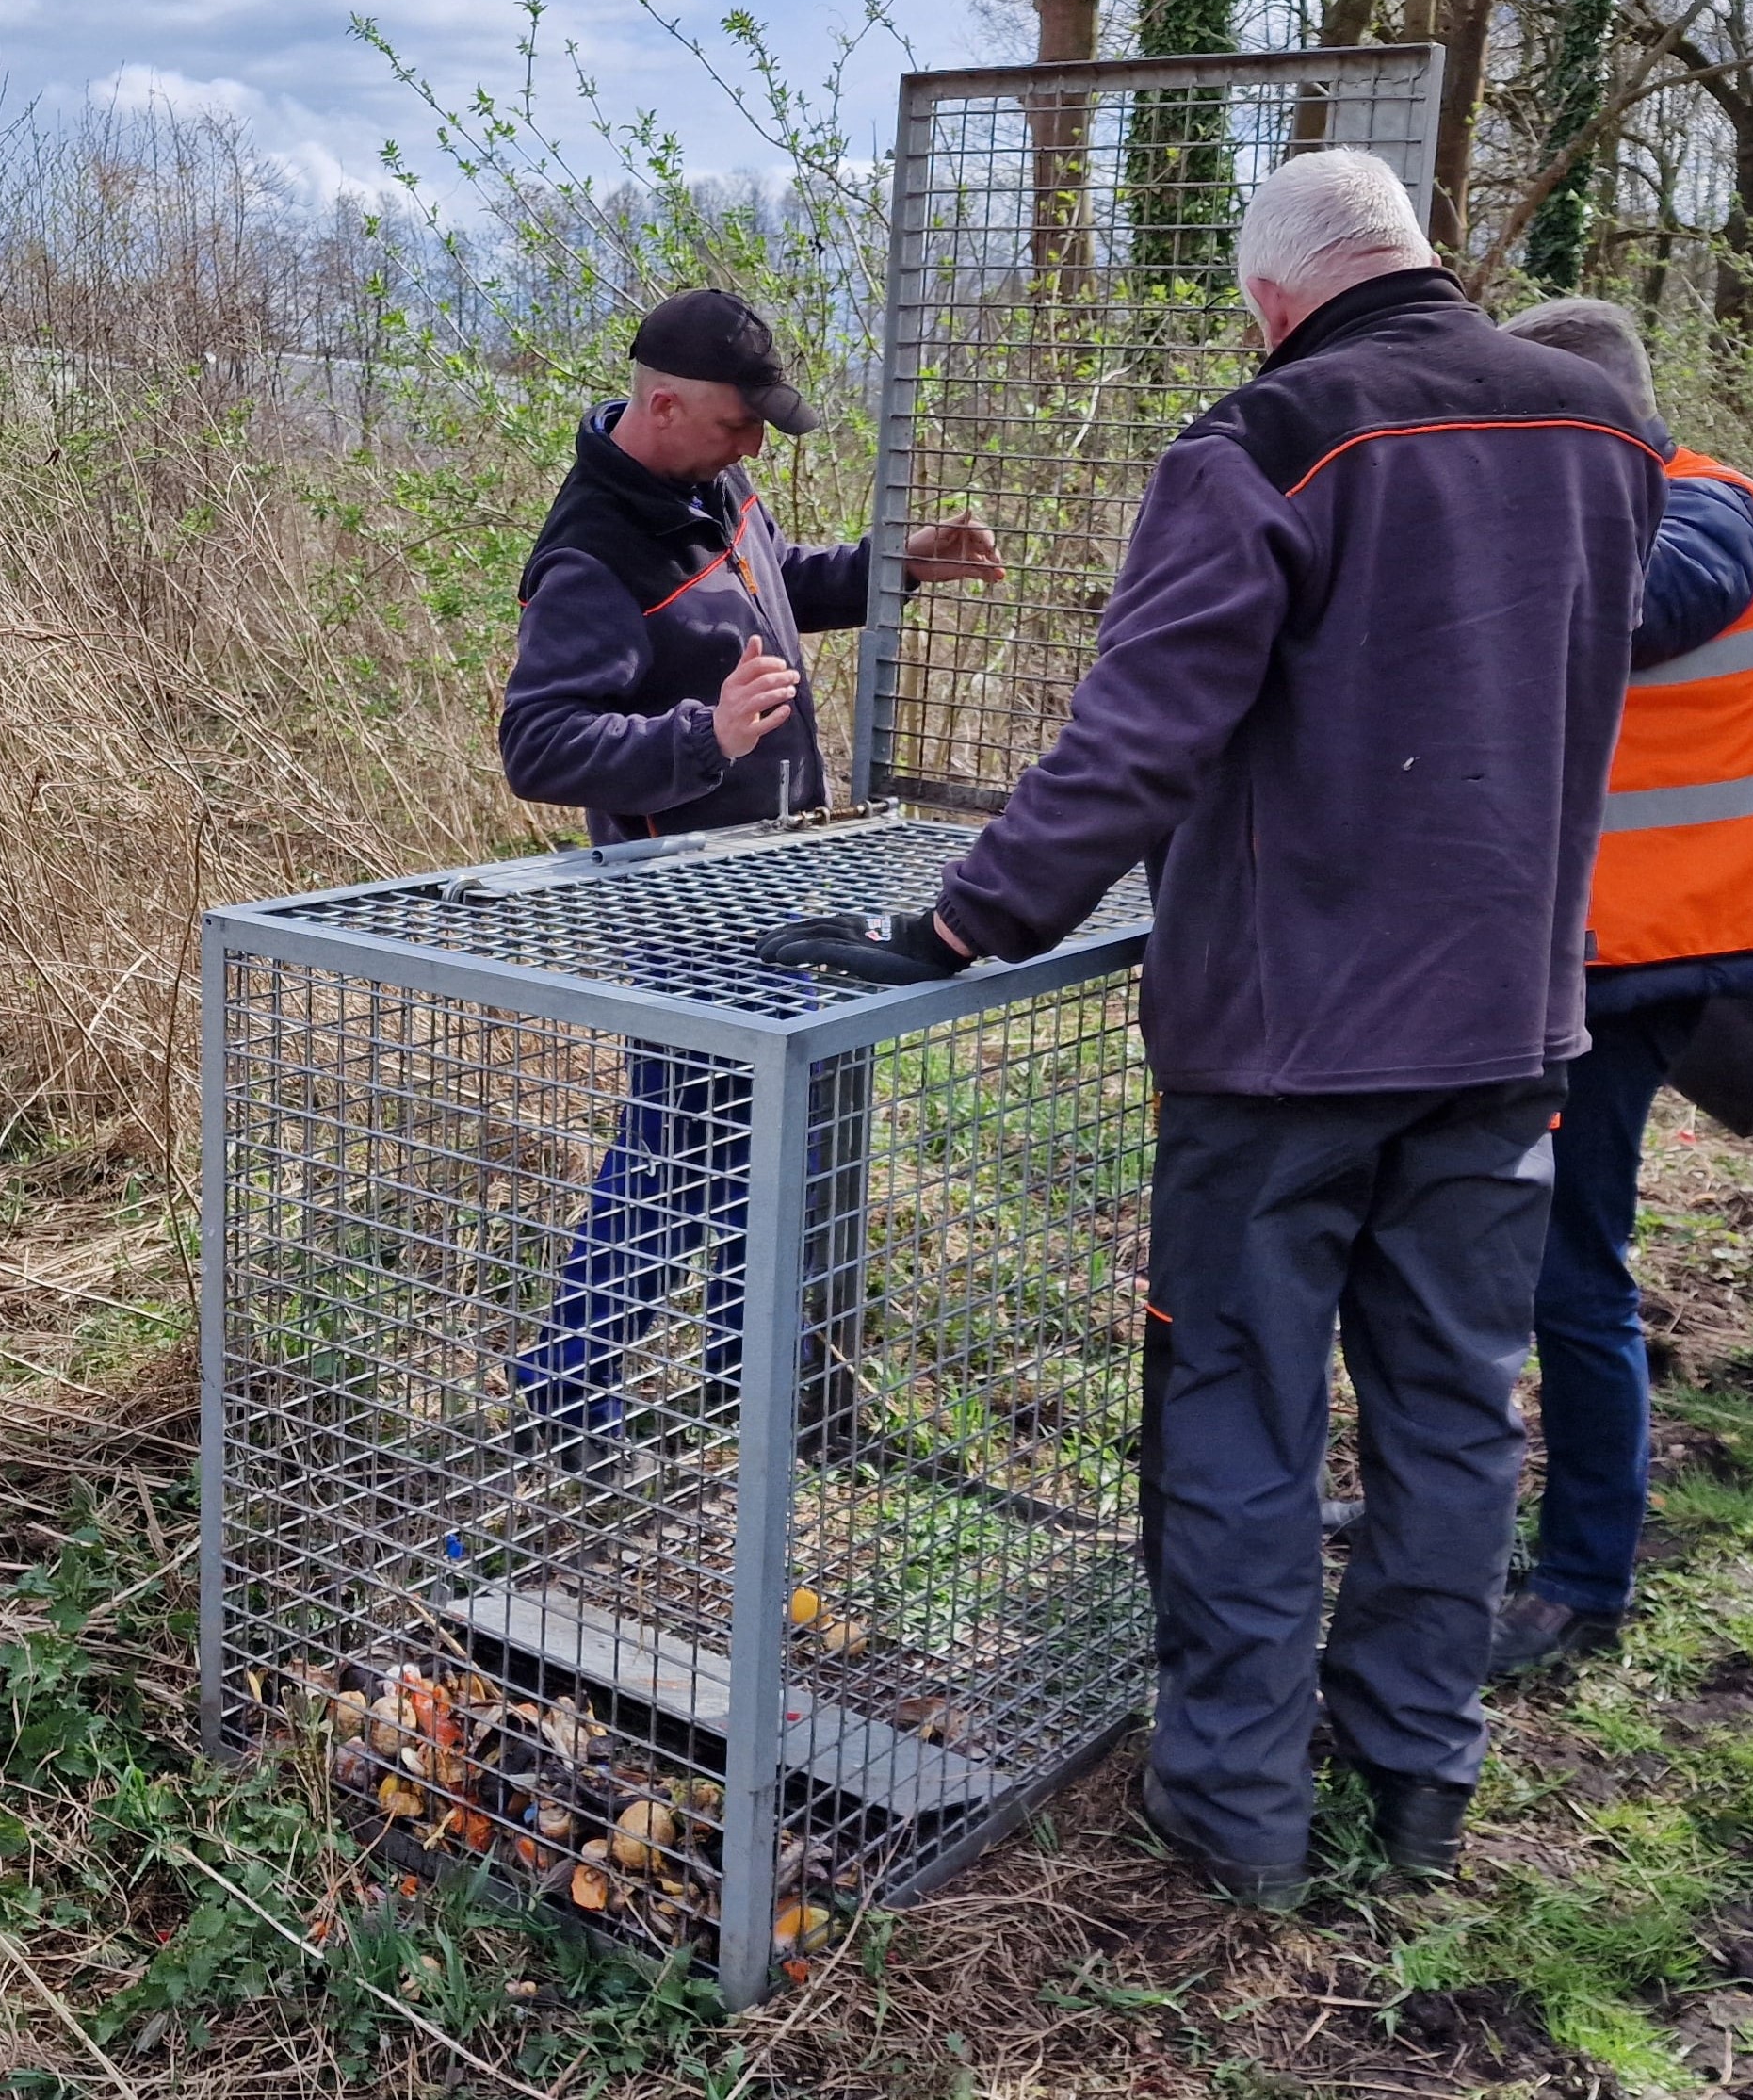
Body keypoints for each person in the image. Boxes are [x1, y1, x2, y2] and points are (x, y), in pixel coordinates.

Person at [761, 151, 1664, 1906]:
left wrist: (964, 919)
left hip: (1287, 1045)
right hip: (1507, 1027)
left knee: (1242, 1420)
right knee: (1454, 1411)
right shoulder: (1608, 436)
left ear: (1270, 297)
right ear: (1416, 254)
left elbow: (1141, 731)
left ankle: (1236, 1809)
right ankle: (1416, 1783)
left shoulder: (1267, 440)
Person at [497, 289, 1002, 1456]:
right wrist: (701, 738)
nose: (756, 444)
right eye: (740, 422)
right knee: (684, 1144)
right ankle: (571, 1395)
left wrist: (897, 567)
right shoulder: (592, 553)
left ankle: (751, 1382)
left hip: (777, 883)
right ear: (664, 403)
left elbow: (780, 581)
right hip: (679, 901)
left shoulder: (709, 483)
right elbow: (539, 745)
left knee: (774, 1146)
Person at [1482, 299, 1753, 1673]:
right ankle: (1497, 1521)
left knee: (1572, 1271)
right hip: (1576, 953)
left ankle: (1584, 1574)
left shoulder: (1709, 512)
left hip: (1643, 965)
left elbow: (1618, 616)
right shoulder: (1622, 506)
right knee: (1509, 1256)